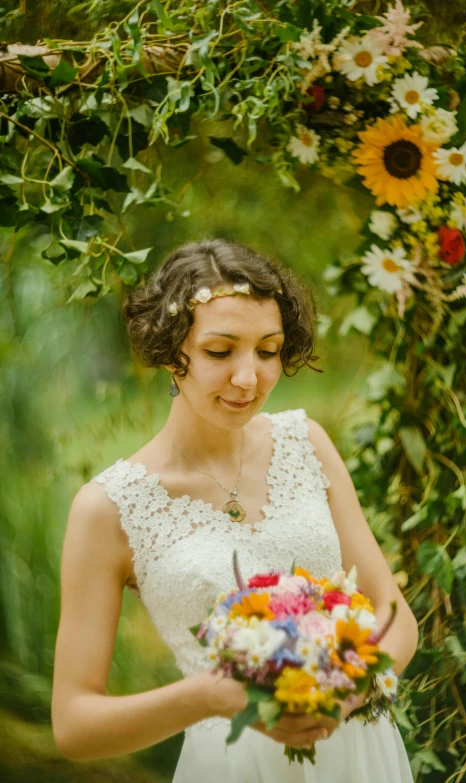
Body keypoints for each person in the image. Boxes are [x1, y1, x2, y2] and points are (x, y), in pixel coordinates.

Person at [52, 238, 417, 782]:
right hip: (233, 764)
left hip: (358, 752)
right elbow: (75, 726)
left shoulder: (306, 444)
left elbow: (393, 615)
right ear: (169, 349)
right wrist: (211, 696)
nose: (249, 378)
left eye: (267, 351)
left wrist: (338, 702)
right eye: (221, 352)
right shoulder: (108, 509)